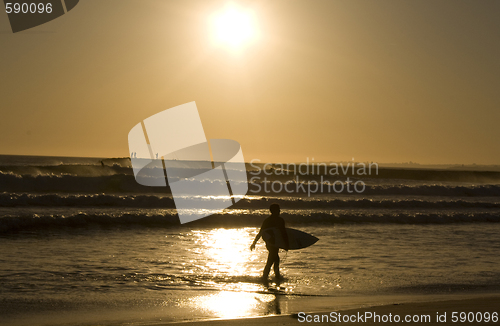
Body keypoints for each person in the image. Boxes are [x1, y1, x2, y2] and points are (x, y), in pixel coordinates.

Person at [250, 203, 289, 281]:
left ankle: (272, 276)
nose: (279, 211)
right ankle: (268, 277)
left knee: (275, 259)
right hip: (270, 242)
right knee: (272, 259)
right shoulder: (268, 221)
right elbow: (261, 232)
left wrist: (286, 244)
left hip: (277, 242)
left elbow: (283, 233)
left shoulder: (281, 220)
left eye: (279, 209)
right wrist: (254, 243)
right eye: (278, 210)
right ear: (273, 211)